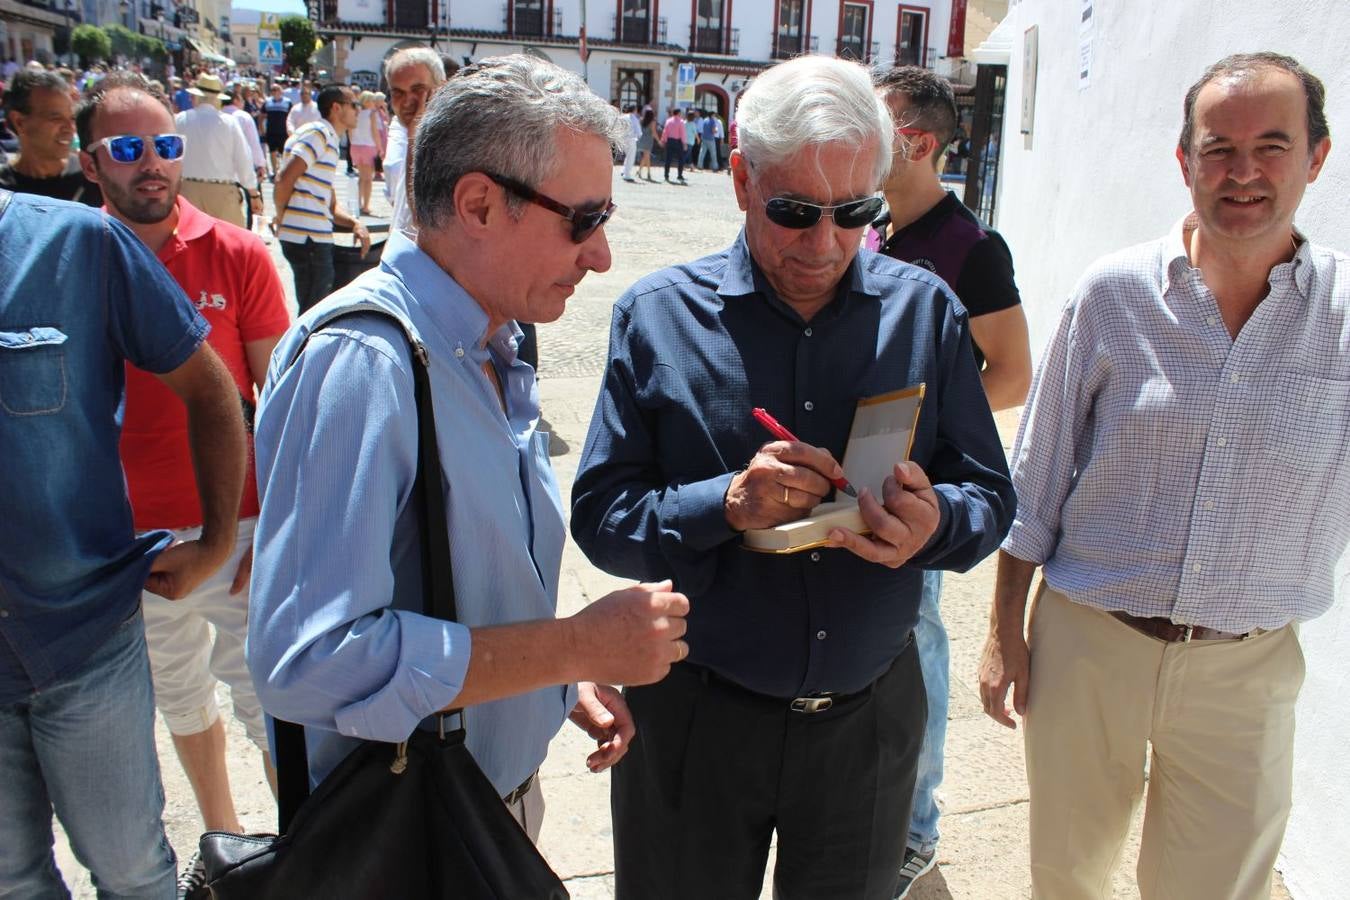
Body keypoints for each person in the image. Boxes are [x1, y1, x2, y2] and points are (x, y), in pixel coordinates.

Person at [571, 54, 1015, 900]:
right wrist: (725, 504)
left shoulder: (925, 310)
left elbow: (990, 495)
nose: (825, 244)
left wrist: (938, 525)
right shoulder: (659, 317)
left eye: (855, 212)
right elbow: (600, 517)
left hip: (869, 726)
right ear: (740, 180)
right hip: (697, 720)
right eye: (793, 211)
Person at [248, 54, 690, 844]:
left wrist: (548, 679)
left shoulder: (485, 340)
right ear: (480, 204)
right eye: (583, 221)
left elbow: (463, 585)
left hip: (476, 812)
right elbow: (308, 662)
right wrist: (571, 644)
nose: (601, 255)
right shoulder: (367, 362)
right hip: (412, 839)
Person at [978, 52, 1344, 900]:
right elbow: (1039, 479)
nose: (1243, 172)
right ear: (1185, 161)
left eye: (1272, 146)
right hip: (1089, 644)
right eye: (1219, 148)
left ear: (1316, 158)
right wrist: (1005, 631)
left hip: (1245, 671)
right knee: (1066, 874)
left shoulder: (1344, 319)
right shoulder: (1114, 295)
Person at [74, 76, 291, 896]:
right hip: (136, 549)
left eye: (166, 146)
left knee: (272, 705)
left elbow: (282, 404)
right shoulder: (69, 259)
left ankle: (307, 852)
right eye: (128, 150)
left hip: (238, 534)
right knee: (181, 702)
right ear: (94, 163)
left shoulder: (237, 254)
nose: (153, 166)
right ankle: (225, 842)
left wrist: (271, 529)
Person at [0, 192, 247, 896]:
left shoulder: (77, 244)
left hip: (84, 640)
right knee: (12, 878)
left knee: (133, 871)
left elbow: (209, 387)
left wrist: (217, 538)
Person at [866, 65, 1032, 898]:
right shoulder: (869, 228)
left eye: (875, 121)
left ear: (918, 143)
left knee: (918, 648)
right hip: (859, 481)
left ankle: (917, 830)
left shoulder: (971, 247)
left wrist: (931, 435)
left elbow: (1012, 374)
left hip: (916, 497)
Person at [273, 83, 369, 313]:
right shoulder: (320, 133)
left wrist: (355, 223)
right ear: (336, 108)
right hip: (308, 238)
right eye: (353, 104)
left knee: (314, 310)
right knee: (313, 315)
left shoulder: (328, 139)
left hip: (311, 238)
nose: (358, 110)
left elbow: (330, 205)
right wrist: (280, 215)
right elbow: (285, 178)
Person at [0, 68, 102, 204]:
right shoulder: (4, 193)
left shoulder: (92, 178)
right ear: (19, 122)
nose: (70, 128)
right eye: (56, 118)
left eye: (72, 118)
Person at [175, 72, 259, 228]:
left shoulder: (180, 119)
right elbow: (243, 160)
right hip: (222, 191)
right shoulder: (229, 123)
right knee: (227, 245)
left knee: (190, 244)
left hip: (187, 190)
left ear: (197, 97)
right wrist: (253, 193)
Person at [383, 47, 448, 236]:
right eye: (398, 92)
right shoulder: (406, 133)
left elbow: (423, 217)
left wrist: (416, 138)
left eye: (417, 90)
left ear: (441, 88)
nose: (407, 101)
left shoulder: (452, 144)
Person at [350, 90, 384, 215]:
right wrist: (380, 148)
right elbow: (375, 132)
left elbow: (350, 131)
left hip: (355, 146)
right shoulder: (372, 114)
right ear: (368, 101)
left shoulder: (356, 113)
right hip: (369, 146)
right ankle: (366, 206)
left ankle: (358, 203)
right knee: (368, 179)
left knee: (361, 177)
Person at [261, 82, 292, 178]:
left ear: (281, 91)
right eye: (272, 90)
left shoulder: (287, 102)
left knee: (284, 153)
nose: (274, 92)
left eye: (276, 90)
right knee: (272, 151)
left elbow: (291, 116)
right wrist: (261, 129)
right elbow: (262, 116)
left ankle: (283, 169)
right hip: (271, 131)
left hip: (283, 131)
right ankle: (275, 171)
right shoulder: (267, 102)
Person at [661, 106, 685, 183]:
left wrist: (663, 140)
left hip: (670, 141)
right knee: (681, 159)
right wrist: (684, 143)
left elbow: (665, 131)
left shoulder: (668, 121)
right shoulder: (681, 122)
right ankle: (679, 175)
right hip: (678, 141)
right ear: (678, 113)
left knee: (668, 159)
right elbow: (682, 133)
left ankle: (666, 175)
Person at [636, 106, 659, 182]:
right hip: (649, 140)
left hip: (642, 139)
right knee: (647, 157)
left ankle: (639, 171)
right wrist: (659, 141)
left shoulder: (641, 120)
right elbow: (654, 132)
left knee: (645, 157)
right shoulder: (652, 121)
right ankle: (648, 173)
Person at [621, 103, 640, 182]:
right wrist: (638, 136)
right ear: (634, 110)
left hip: (623, 139)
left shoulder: (622, 117)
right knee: (630, 157)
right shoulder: (634, 118)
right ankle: (627, 175)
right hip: (631, 139)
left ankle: (623, 171)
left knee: (627, 156)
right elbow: (638, 131)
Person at [697, 106, 719, 172]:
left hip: (704, 138)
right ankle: (715, 167)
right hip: (710, 139)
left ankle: (699, 165)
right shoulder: (713, 121)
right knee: (713, 153)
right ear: (712, 115)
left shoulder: (705, 120)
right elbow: (713, 131)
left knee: (702, 152)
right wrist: (716, 129)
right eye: (714, 114)